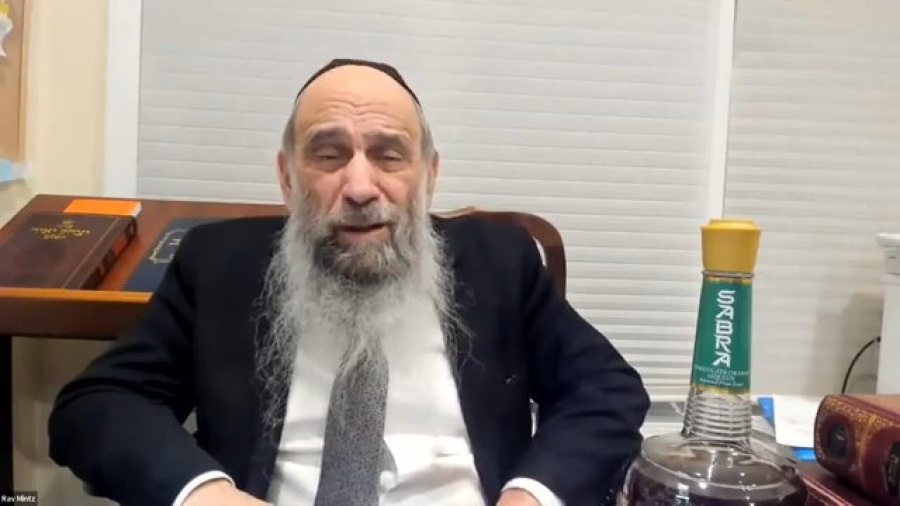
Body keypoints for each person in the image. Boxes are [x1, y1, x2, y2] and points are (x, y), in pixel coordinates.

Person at [47, 58, 650, 506]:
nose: (360, 188)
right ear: (287, 178)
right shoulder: (219, 263)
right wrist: (207, 495)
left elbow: (605, 391)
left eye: (389, 155)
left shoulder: (500, 260)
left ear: (428, 176)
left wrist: (531, 496)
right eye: (328, 155)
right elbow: (98, 404)